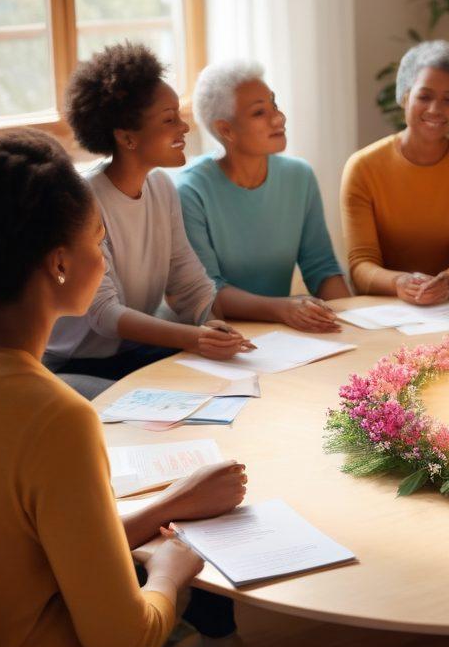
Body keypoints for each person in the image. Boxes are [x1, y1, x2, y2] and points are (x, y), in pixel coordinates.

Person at [0, 131, 359, 647]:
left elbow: (21, 553)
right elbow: (124, 644)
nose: (104, 260)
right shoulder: (57, 416)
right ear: (59, 263)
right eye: (99, 242)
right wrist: (173, 568)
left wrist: (170, 505)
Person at [44, 43, 278, 391]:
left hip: (129, 352)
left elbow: (187, 279)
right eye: (169, 120)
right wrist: (195, 338)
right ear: (127, 137)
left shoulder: (162, 187)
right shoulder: (85, 199)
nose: (184, 128)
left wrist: (212, 324)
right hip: (76, 364)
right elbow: (104, 314)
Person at [177, 60, 350, 334]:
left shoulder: (299, 176)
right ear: (226, 130)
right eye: (259, 113)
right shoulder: (190, 190)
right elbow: (209, 291)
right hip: (215, 339)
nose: (279, 118)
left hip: (282, 334)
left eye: (275, 105)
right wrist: (284, 309)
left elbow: (322, 268)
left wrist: (356, 323)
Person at [341, 40, 449, 304]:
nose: (435, 110)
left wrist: (446, 283)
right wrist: (400, 283)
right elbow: (361, 266)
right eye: (424, 97)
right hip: (387, 308)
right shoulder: (362, 168)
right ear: (404, 97)